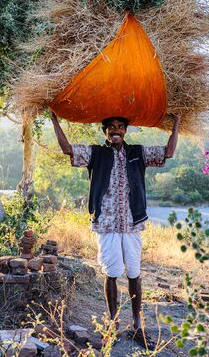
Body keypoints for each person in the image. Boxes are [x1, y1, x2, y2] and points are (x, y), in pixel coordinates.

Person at [50, 111, 181, 350]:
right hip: (107, 223)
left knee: (134, 273)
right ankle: (113, 324)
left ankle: (137, 325)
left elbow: (168, 153)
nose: (116, 129)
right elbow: (68, 149)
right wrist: (54, 120)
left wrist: (178, 123)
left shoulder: (137, 152)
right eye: (111, 127)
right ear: (105, 132)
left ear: (125, 131)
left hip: (132, 223)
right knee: (111, 273)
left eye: (120, 126)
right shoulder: (96, 153)